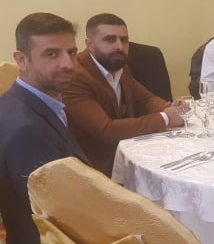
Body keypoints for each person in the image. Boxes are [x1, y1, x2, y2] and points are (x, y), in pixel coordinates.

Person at [0, 12, 90, 244]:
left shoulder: (17, 103)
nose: (68, 64)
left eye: (71, 52)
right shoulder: (27, 128)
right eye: (52, 54)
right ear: (21, 59)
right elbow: (59, 218)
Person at [63, 13, 183, 176]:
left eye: (124, 40)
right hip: (95, 168)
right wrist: (165, 118)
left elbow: (145, 99)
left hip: (127, 151)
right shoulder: (76, 76)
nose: (119, 46)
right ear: (90, 44)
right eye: (110, 39)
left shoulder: (118, 65)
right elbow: (106, 131)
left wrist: (168, 108)